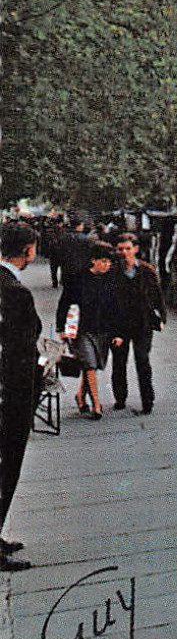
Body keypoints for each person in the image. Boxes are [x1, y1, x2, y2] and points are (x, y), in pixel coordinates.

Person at [0, 223, 44, 571]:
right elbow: (21, 354)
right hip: (9, 397)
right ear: (28, 250)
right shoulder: (15, 292)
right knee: (6, 469)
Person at [57, 242, 116, 420]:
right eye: (103, 261)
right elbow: (64, 304)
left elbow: (116, 307)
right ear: (93, 260)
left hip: (103, 330)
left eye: (109, 262)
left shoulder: (111, 280)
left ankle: (80, 396)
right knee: (90, 364)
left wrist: (117, 331)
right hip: (81, 330)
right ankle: (96, 404)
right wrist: (61, 328)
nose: (107, 265)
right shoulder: (78, 279)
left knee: (92, 365)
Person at [109, 233, 166, 414]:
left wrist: (160, 318)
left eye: (128, 248)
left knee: (142, 360)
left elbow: (157, 296)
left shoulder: (147, 271)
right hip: (119, 324)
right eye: (121, 249)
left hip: (143, 322)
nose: (124, 252)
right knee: (119, 362)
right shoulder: (113, 272)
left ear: (135, 249)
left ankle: (147, 400)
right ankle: (120, 397)